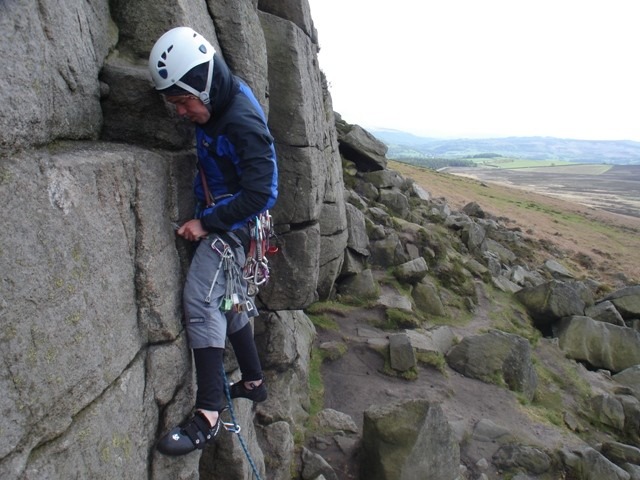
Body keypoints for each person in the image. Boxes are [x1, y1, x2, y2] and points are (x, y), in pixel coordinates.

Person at [148, 26, 278, 456]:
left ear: (204, 84)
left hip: (236, 221)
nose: (181, 113)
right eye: (175, 104)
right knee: (230, 298)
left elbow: (261, 192)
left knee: (203, 297)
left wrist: (207, 222)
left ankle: (208, 413)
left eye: (184, 102)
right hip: (231, 213)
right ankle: (254, 381)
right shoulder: (217, 101)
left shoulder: (241, 120)